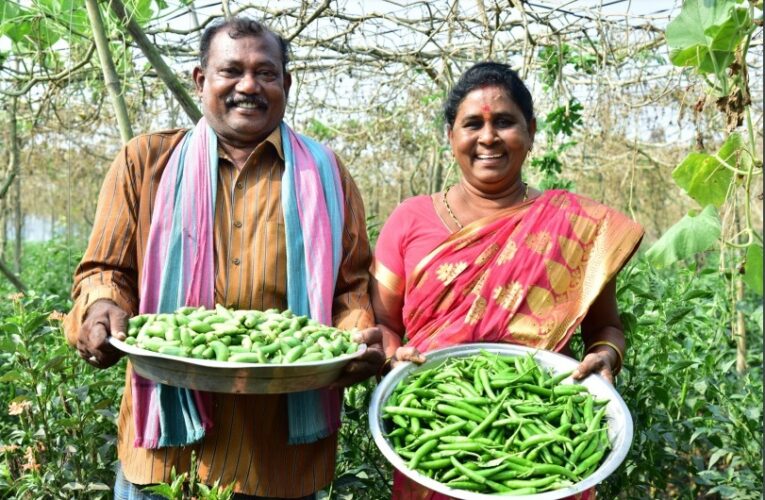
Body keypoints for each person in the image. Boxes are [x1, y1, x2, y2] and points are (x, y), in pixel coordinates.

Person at [63, 17, 384, 499]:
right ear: (201, 80)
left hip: (278, 456)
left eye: (266, 73)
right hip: (166, 458)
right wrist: (101, 307)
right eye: (231, 71)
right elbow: (104, 270)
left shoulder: (326, 175)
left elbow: (349, 287)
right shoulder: (145, 162)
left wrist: (354, 337)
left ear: (287, 83)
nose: (248, 86)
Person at [370, 61, 644, 499]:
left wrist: (605, 359)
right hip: (432, 424)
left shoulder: (574, 227)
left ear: (531, 131)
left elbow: (606, 329)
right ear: (450, 136)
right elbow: (384, 325)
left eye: (504, 122)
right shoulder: (409, 219)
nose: (488, 137)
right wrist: (392, 359)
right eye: (472, 124)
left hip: (546, 435)